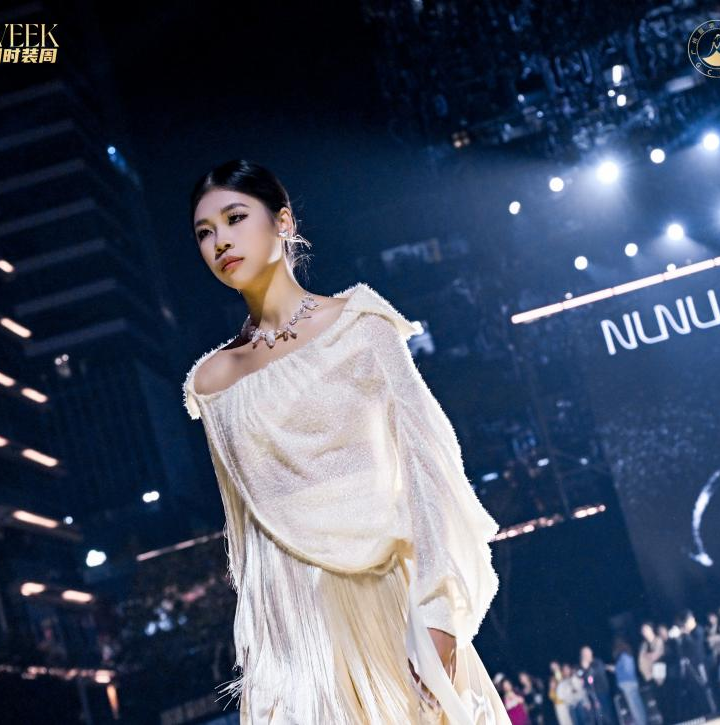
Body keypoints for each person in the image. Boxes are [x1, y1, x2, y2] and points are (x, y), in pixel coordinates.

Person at [183, 159, 510, 723]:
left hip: (384, 601)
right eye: (205, 233)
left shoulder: (360, 326)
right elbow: (247, 535)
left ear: (283, 221)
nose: (221, 242)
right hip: (293, 635)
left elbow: (427, 466)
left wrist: (438, 611)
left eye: (235, 218)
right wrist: (266, 659)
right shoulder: (213, 382)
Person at [613, 638, 648, 725]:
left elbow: (627, 670)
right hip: (630, 683)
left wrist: (617, 670)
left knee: (634, 706)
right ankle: (642, 722)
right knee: (637, 704)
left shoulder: (624, 656)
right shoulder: (626, 656)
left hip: (628, 684)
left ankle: (640, 722)